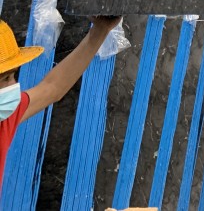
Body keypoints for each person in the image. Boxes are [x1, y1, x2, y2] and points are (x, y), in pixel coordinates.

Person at [0, 16, 121, 190]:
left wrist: (100, 30)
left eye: (13, 75)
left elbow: (53, 87)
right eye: (5, 79)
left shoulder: (6, 118)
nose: (13, 85)